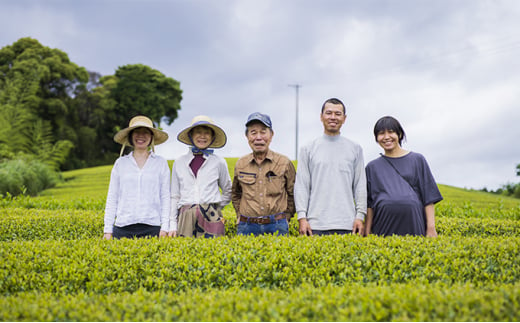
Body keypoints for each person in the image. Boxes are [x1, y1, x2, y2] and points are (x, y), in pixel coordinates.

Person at [294, 98, 366, 236]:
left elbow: (360, 185)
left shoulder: (355, 148)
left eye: (338, 114)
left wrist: (360, 216)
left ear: (344, 118)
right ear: (321, 117)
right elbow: (302, 185)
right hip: (315, 224)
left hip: (347, 224)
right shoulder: (308, 148)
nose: (333, 117)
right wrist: (302, 218)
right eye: (329, 113)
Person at [365, 116, 443, 237]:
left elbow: (429, 198)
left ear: (400, 134)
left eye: (391, 132)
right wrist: (367, 232)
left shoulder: (417, 160)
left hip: (414, 225)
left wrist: (431, 228)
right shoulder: (371, 167)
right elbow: (370, 205)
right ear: (376, 138)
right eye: (381, 134)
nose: (386, 137)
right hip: (382, 227)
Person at [103, 115, 171, 239]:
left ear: (151, 137)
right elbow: (112, 197)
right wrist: (107, 230)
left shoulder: (160, 163)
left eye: (146, 132)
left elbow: (165, 197)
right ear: (130, 136)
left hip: (152, 226)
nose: (141, 136)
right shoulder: (120, 163)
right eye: (137, 132)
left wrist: (165, 227)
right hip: (123, 227)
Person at [231, 112, 296, 236]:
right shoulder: (241, 164)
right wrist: (239, 215)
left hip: (277, 225)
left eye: (263, 132)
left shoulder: (284, 162)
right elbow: (236, 193)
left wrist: (286, 217)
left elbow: (293, 193)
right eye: (253, 132)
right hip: (247, 226)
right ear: (247, 136)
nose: (258, 138)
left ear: (271, 135)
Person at [169, 115, 232, 238]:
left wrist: (215, 208)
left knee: (214, 252)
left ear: (212, 137)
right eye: (198, 132)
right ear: (191, 135)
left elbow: (228, 189)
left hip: (211, 215)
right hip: (185, 215)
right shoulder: (179, 162)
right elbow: (174, 196)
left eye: (207, 133)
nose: (202, 136)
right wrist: (172, 224)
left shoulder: (219, 162)